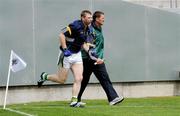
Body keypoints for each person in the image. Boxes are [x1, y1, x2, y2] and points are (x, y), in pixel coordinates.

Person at [37, 10, 93, 107]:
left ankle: (74, 101)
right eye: (89, 17)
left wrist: (90, 52)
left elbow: (83, 43)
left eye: (91, 17)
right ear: (82, 18)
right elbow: (61, 35)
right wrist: (65, 49)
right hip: (66, 54)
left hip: (77, 54)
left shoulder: (87, 28)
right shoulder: (75, 25)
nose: (91, 19)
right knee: (61, 79)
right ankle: (45, 76)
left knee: (79, 78)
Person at [78, 11, 124, 106]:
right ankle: (113, 98)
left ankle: (75, 99)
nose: (104, 19)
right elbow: (89, 46)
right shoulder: (91, 30)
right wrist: (96, 58)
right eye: (102, 18)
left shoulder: (98, 28)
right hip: (92, 59)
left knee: (85, 80)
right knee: (103, 78)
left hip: (93, 59)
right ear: (97, 19)